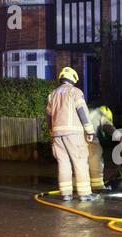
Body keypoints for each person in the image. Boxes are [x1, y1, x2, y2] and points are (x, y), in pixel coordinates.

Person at [46, 66, 99, 202]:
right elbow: (82, 112)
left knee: (63, 163)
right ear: (73, 78)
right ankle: (85, 194)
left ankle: (66, 194)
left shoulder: (53, 94)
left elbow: (48, 116)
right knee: (80, 161)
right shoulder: (75, 92)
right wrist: (90, 131)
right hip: (73, 133)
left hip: (57, 134)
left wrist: (52, 132)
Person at [87, 105, 122, 193]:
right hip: (89, 137)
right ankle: (98, 186)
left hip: (76, 139)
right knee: (97, 160)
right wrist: (121, 137)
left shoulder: (90, 112)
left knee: (81, 163)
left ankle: (79, 186)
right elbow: (109, 127)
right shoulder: (102, 115)